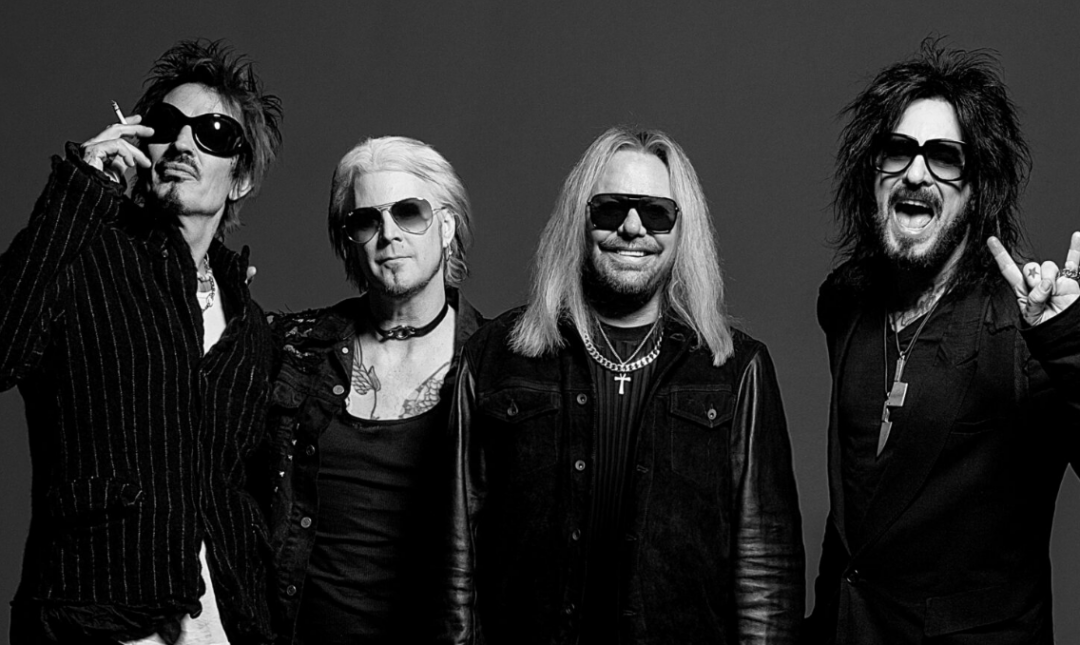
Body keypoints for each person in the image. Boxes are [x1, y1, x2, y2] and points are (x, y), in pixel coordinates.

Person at [444, 127, 804, 644]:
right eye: (611, 208)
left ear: (683, 230)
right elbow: (455, 550)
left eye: (656, 213)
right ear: (580, 219)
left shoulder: (736, 369)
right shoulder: (495, 355)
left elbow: (765, 572)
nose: (632, 227)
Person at [0, 39, 282, 644]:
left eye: (214, 134)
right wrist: (81, 188)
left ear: (241, 179)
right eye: (166, 125)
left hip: (222, 625)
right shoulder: (83, 255)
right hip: (93, 615)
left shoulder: (251, 326)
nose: (183, 144)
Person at [806, 39, 1080, 643]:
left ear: (976, 190)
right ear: (872, 176)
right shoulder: (846, 304)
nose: (916, 172)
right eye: (897, 151)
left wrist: (1067, 341)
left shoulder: (1023, 331)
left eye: (944, 157)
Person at [267, 136, 484, 644]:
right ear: (349, 242)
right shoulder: (294, 351)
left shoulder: (495, 367)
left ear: (446, 226)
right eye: (366, 221)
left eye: (409, 212)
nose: (389, 235)